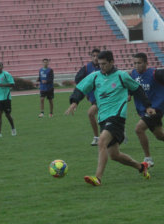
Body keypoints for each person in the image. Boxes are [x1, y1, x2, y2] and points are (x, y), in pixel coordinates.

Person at [65, 51, 154, 186]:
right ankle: (141, 167)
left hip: (117, 117)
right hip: (103, 118)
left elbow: (137, 89)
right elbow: (80, 89)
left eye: (104, 64)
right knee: (114, 155)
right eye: (99, 64)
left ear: (112, 62)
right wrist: (74, 102)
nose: (101, 67)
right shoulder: (95, 77)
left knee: (101, 142)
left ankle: (98, 178)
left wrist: (147, 106)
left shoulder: (121, 76)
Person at [131, 53, 164, 167]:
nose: (136, 65)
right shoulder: (133, 74)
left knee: (139, 129)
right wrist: (128, 94)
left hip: (156, 109)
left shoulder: (156, 73)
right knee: (160, 136)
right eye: (134, 63)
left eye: (139, 63)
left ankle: (148, 159)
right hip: (143, 110)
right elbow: (132, 88)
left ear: (146, 63)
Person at [75, 48, 100, 146]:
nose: (95, 58)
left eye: (97, 56)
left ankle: (97, 138)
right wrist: (86, 91)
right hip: (94, 99)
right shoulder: (87, 68)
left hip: (105, 98)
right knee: (103, 118)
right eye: (93, 56)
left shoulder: (105, 66)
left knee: (91, 113)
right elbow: (78, 79)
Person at [0, 62, 16, 137]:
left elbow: (12, 84)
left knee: (7, 115)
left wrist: (2, 85)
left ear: (2, 67)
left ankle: (13, 128)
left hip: (6, 98)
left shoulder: (6, 74)